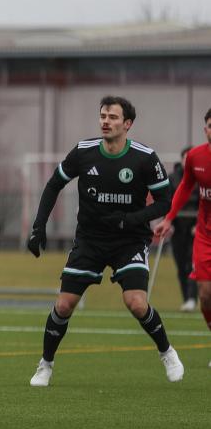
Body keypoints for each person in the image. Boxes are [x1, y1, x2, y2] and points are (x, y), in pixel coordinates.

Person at [27, 96, 182, 387]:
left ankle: (167, 352)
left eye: (112, 117)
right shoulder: (84, 152)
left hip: (130, 241)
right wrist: (39, 227)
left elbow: (165, 202)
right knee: (64, 305)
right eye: (103, 116)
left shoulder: (144, 157)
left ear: (127, 124)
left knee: (136, 303)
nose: (105, 122)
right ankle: (45, 365)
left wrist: (131, 219)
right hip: (90, 241)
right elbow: (53, 185)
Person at [155, 108, 211, 366]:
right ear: (205, 130)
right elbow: (186, 186)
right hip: (205, 234)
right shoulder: (195, 157)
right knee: (206, 293)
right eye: (210, 126)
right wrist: (168, 218)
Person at [167, 146, 199, 311]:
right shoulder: (172, 178)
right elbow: (167, 202)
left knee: (194, 265)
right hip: (178, 229)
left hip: (197, 229)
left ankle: (193, 299)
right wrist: (169, 223)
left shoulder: (202, 177)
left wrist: (199, 224)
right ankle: (186, 298)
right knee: (181, 266)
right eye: (185, 158)